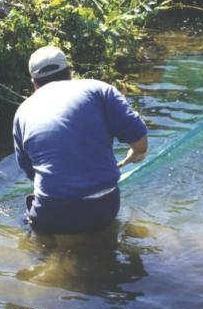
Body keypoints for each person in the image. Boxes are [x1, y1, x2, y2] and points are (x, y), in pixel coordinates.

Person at [13, 46, 148, 234]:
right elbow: (140, 142)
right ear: (69, 73)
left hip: (53, 215)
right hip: (104, 207)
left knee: (28, 226)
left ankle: (47, 259)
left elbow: (30, 170)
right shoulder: (100, 89)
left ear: (34, 83)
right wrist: (136, 154)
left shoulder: (22, 112)